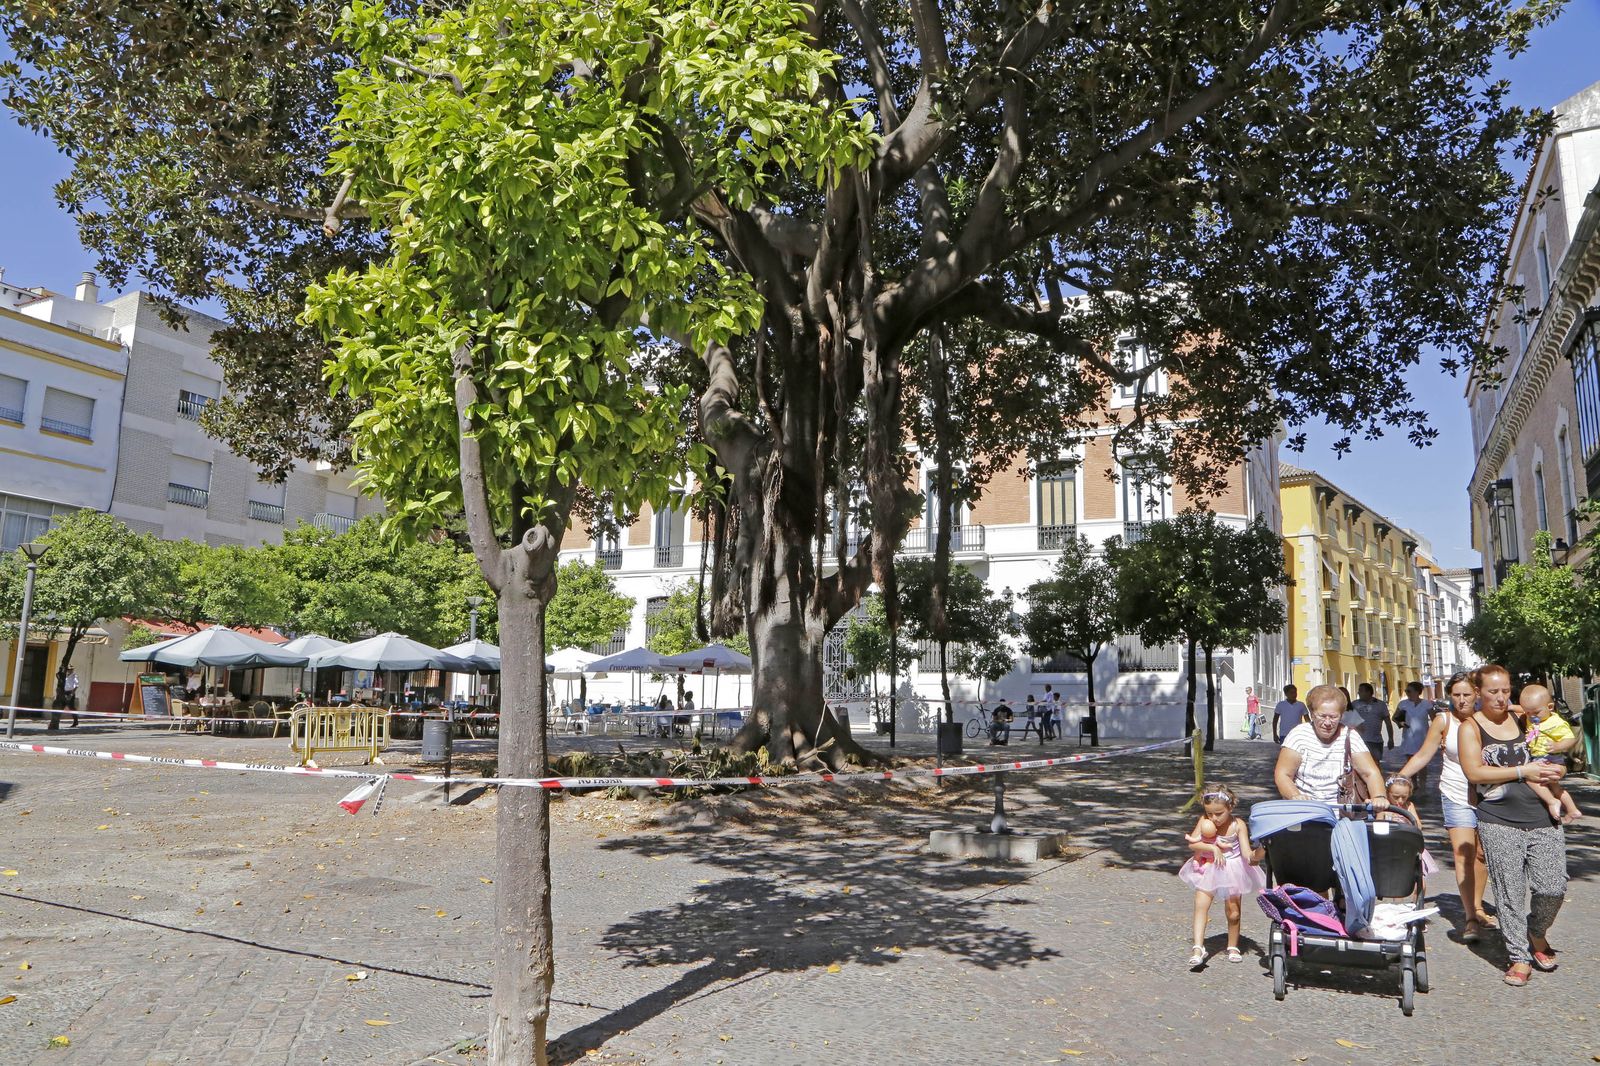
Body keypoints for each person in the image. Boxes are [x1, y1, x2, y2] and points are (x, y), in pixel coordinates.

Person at [1457, 664, 1565, 986]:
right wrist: (1523, 772)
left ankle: (1537, 932)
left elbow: (1555, 741)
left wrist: (1556, 769)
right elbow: (1474, 773)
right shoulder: (1470, 728)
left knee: (1553, 886)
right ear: (1479, 692)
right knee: (1509, 891)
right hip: (1498, 818)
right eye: (1494, 691)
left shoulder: (1523, 716)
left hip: (1541, 814)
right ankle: (1519, 957)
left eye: (1506, 690)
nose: (1502, 697)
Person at [1397, 671, 1496, 941]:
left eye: (1466, 694)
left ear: (1477, 693)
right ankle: (1471, 917)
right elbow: (1424, 754)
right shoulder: (1444, 720)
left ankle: (1478, 904)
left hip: (1490, 796)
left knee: (1481, 855)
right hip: (1455, 793)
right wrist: (1400, 778)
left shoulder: (1488, 718)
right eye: (1456, 695)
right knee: (1463, 853)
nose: (1462, 700)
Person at [1179, 784, 1265, 966]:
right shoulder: (1204, 821)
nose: (1214, 818)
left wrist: (1258, 854)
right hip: (1208, 866)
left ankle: (1232, 945)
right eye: (1210, 813)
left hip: (1232, 869)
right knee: (1201, 905)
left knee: (1233, 911)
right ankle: (1198, 947)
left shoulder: (1237, 825)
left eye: (1219, 813)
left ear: (1230, 808)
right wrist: (1211, 847)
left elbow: (1247, 854)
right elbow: (1193, 844)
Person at [1273, 684, 1387, 807]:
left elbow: (1370, 772)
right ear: (1312, 714)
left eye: (1333, 717)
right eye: (1322, 716)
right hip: (1305, 809)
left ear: (1341, 716)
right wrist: (1294, 795)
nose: (1327, 723)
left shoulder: (1350, 736)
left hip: (1342, 811)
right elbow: (1283, 774)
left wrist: (1378, 796)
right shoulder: (1298, 735)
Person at [1519, 684, 1581, 825]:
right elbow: (1527, 709)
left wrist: (1558, 745)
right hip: (1540, 757)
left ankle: (1552, 801)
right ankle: (1572, 810)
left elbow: (1571, 738)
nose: (1531, 716)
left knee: (1531, 779)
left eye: (1536, 712)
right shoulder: (1535, 716)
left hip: (1549, 757)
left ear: (1550, 707)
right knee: (1555, 787)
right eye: (1527, 713)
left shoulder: (1556, 722)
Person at [1380, 774, 1439, 877]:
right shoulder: (1385, 808)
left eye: (1404, 797)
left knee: (1418, 876)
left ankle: (1419, 890)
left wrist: (1408, 821)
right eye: (1395, 797)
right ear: (1387, 793)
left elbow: (1418, 825)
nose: (1400, 801)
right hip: (1389, 846)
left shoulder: (1409, 806)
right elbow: (1377, 825)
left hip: (1407, 844)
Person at [1393, 682, 1433, 779]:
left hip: (1423, 738)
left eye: (1409, 691)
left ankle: (1423, 785)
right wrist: (1401, 723)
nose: (1407, 693)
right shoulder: (1403, 704)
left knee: (1423, 762)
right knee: (1410, 762)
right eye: (1406, 691)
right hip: (1409, 738)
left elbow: (1434, 719)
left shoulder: (1426, 704)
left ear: (1417, 692)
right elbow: (1394, 717)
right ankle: (1414, 784)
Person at [1350, 682, 1393, 760]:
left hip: (1375, 741)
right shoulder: (1354, 704)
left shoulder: (1381, 705)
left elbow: (1388, 723)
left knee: (1375, 763)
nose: (1358, 692)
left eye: (1360, 690)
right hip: (1358, 741)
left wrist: (1391, 739)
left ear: (1368, 692)